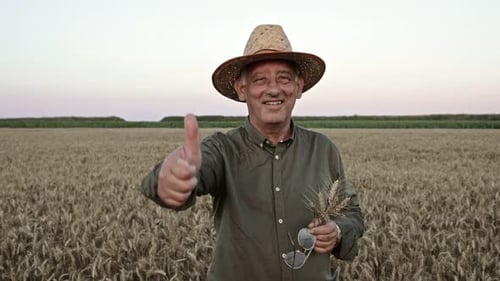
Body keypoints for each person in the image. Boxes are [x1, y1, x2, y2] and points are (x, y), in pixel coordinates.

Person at [140, 24, 364, 281]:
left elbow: (352, 213)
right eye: (260, 80)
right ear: (241, 89)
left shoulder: (323, 149)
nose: (273, 89)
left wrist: (337, 230)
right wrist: (169, 179)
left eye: (283, 78)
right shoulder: (222, 149)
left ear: (298, 86)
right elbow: (194, 172)